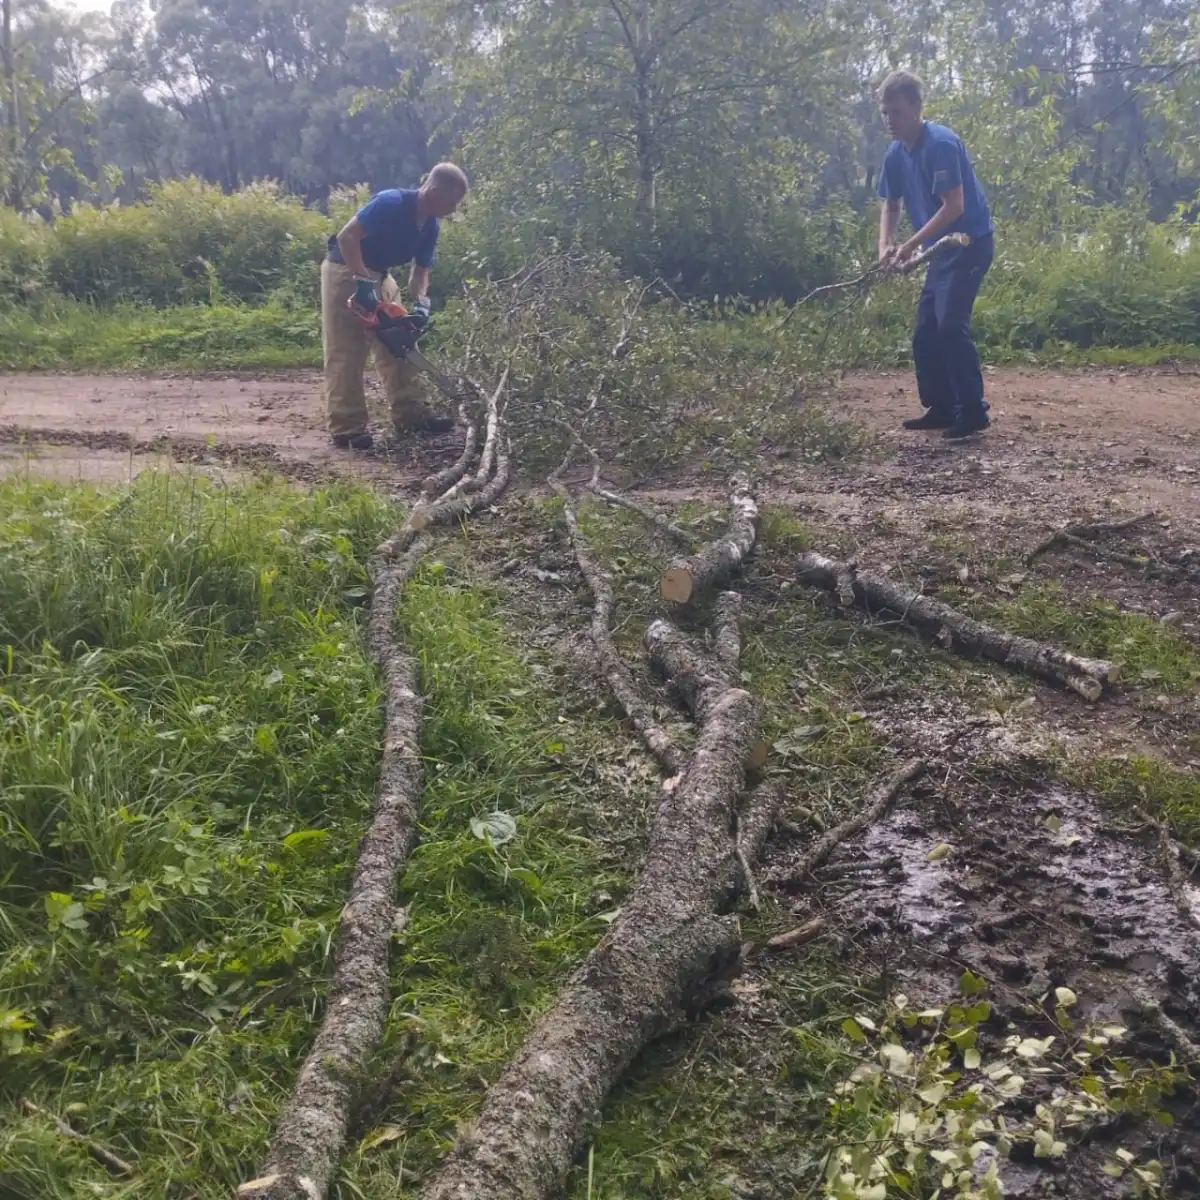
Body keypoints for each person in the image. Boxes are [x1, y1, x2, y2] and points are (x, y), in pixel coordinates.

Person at [876, 71, 995, 440]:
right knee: (925, 332)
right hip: (938, 251)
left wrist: (909, 246)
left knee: (949, 326)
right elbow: (890, 204)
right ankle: (941, 406)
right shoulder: (896, 152)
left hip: (968, 243)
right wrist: (885, 244)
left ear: (915, 106)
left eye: (895, 111)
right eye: (884, 112)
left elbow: (953, 207)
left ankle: (972, 411)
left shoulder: (941, 143)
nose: (889, 120)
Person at [322, 163, 469, 450]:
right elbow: (347, 237)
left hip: (382, 274)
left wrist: (421, 303)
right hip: (346, 269)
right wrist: (362, 282)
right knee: (348, 348)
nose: (453, 210)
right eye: (451, 202)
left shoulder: (430, 226)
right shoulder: (391, 202)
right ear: (434, 190)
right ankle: (347, 427)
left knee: (401, 342)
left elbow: (421, 271)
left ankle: (411, 414)